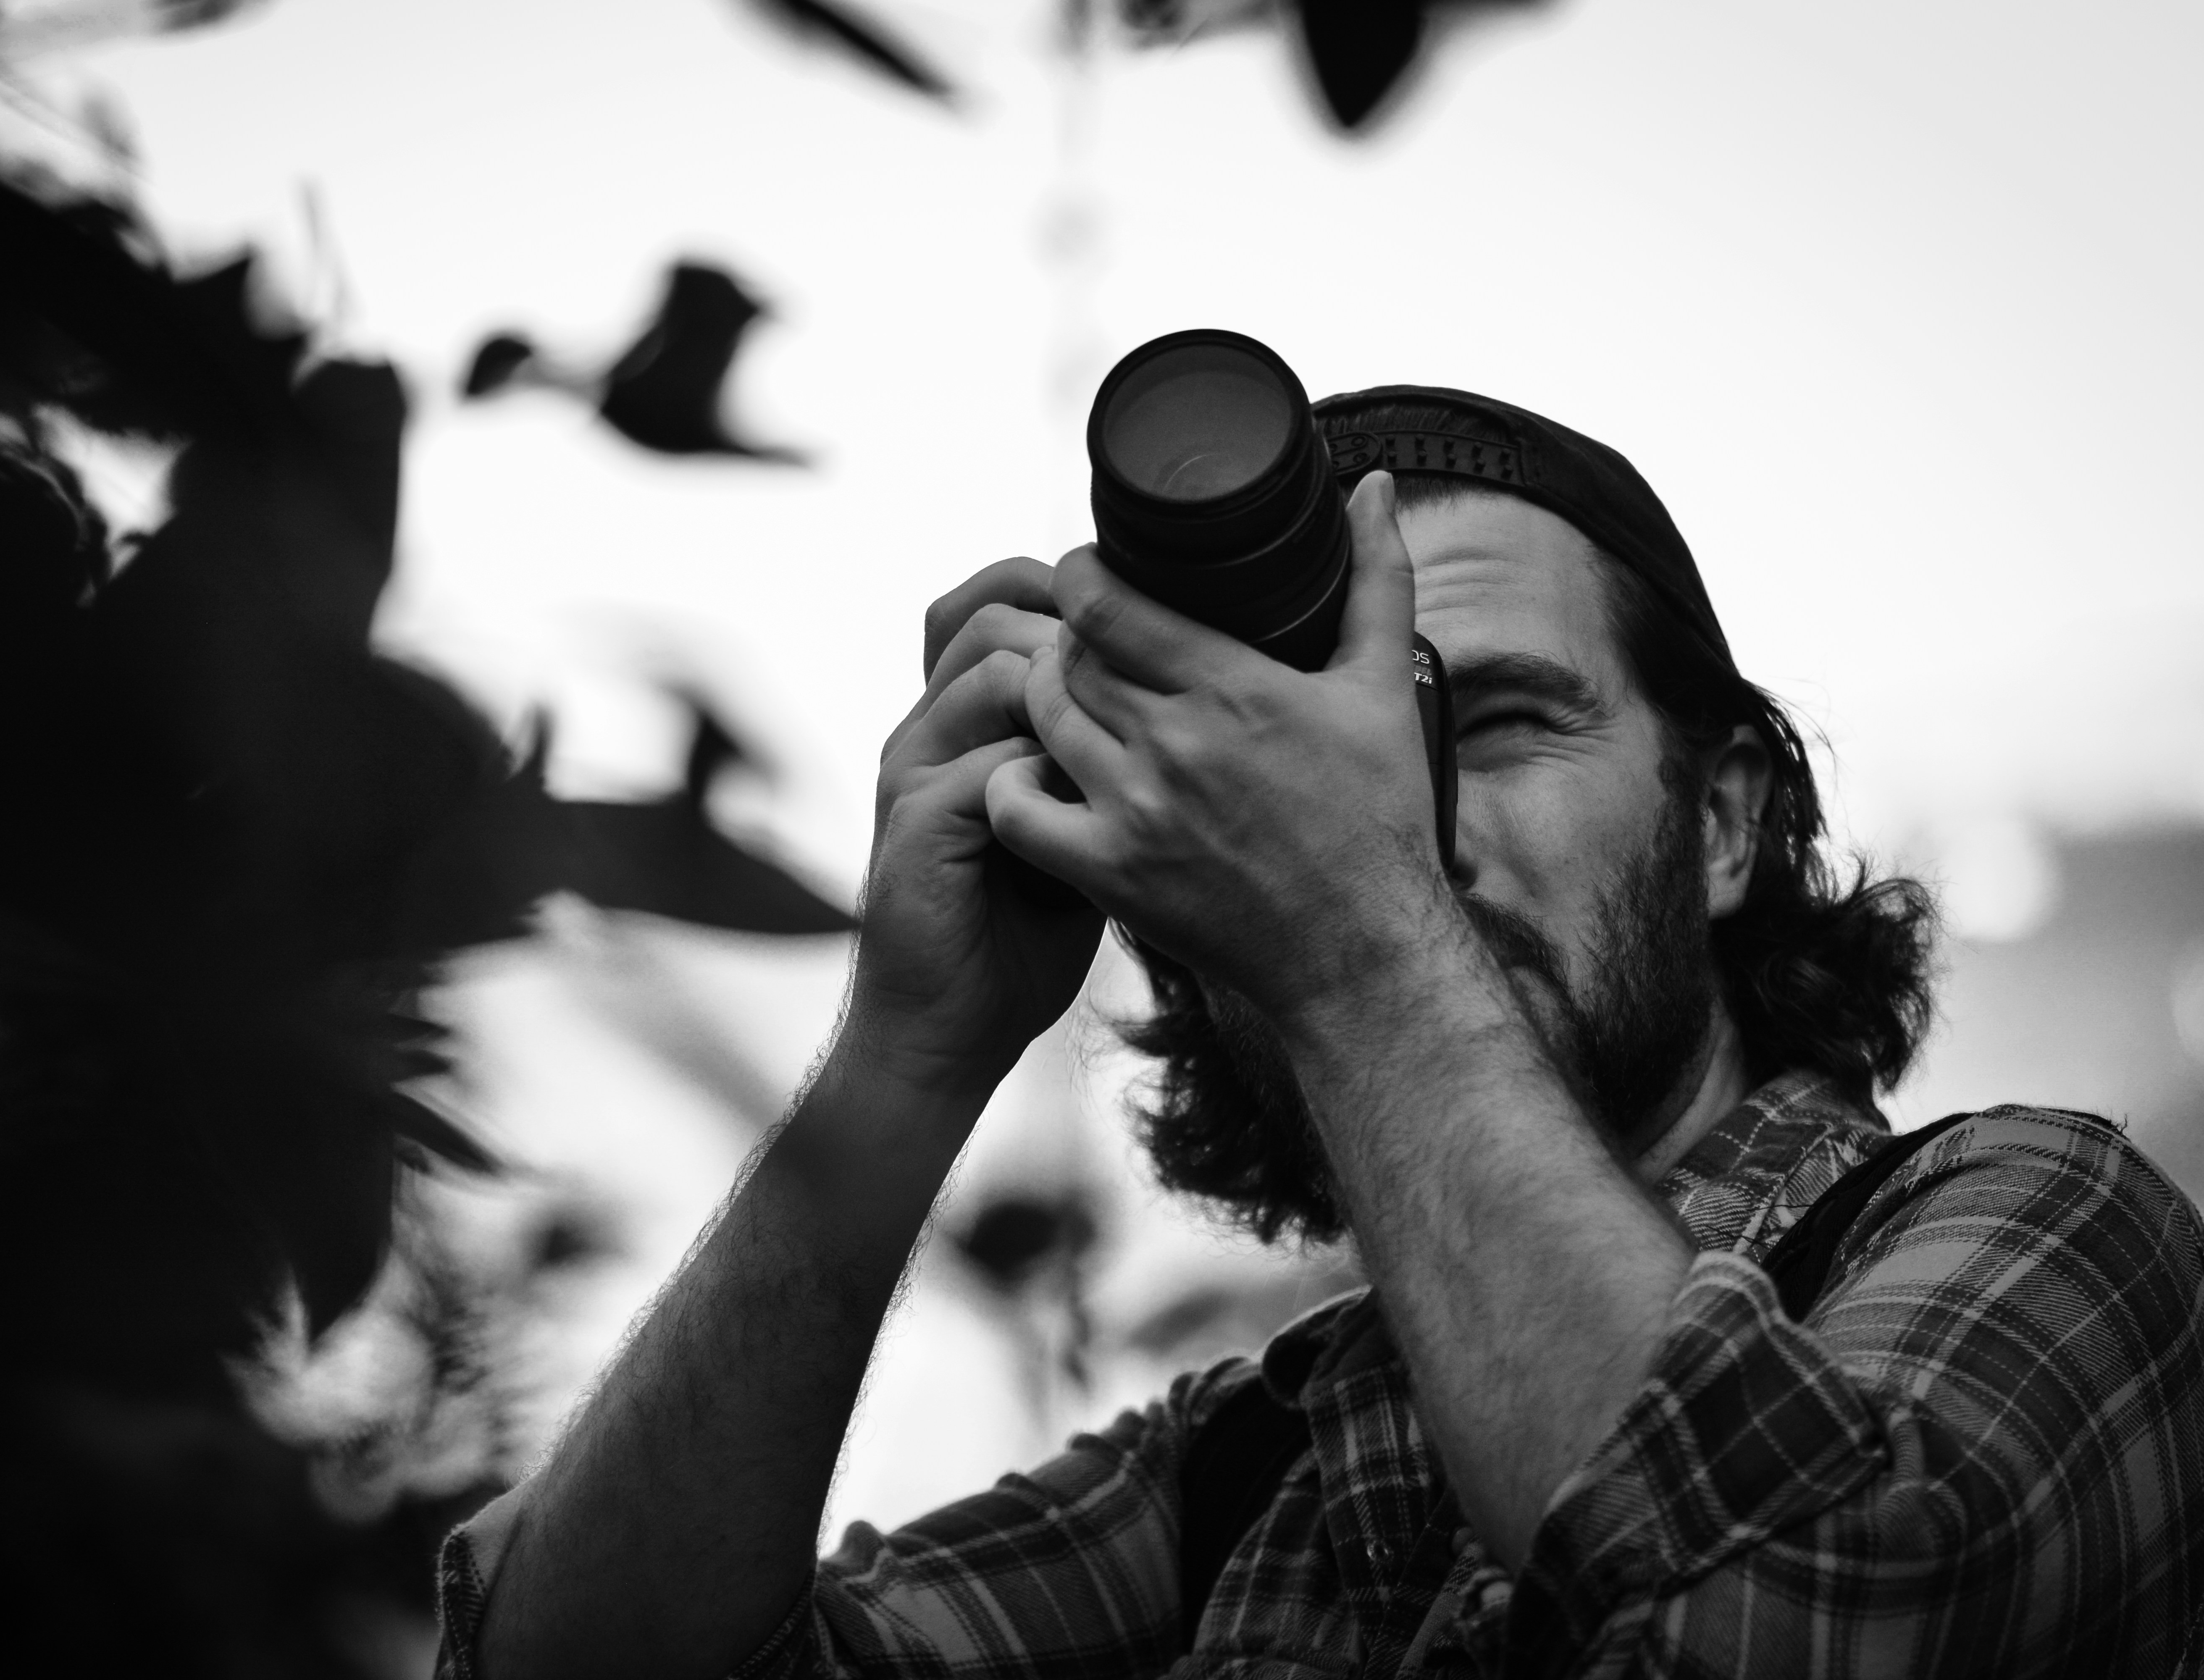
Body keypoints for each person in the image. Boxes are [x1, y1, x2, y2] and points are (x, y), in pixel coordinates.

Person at [434, 388, 2204, 1678]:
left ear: (1727, 821)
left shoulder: (2052, 1221)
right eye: (1315, 763)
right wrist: (914, 1044)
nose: (1402, 821)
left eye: (1491, 723)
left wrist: (1360, 932)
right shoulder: (1250, 1466)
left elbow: (1789, 1617)